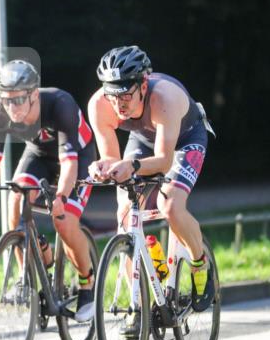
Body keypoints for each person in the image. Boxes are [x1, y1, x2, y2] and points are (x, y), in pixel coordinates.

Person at [86, 45, 216, 322]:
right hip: (144, 141)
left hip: (184, 140)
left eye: (125, 96)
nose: (118, 105)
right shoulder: (99, 105)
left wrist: (130, 165)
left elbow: (164, 162)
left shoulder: (164, 98)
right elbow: (111, 158)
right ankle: (142, 297)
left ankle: (199, 262)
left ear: (143, 85)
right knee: (124, 213)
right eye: (112, 97)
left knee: (169, 204)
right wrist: (103, 167)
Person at [0, 60, 99, 322]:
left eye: (18, 100)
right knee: (16, 197)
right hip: (38, 154)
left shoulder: (60, 104)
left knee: (63, 220)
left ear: (34, 94)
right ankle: (25, 275)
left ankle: (88, 283)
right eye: (6, 100)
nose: (11, 107)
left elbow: (70, 162)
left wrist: (61, 197)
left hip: (77, 156)